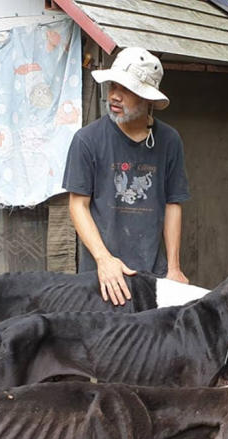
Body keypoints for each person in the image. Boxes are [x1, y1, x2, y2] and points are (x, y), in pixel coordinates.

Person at [62, 47, 190, 306]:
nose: (114, 96)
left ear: (148, 98)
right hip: (100, 274)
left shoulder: (169, 140)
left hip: (152, 272)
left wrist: (174, 268)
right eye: (112, 86)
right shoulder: (87, 140)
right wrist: (103, 259)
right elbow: (78, 205)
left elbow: (172, 203)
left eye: (126, 89)